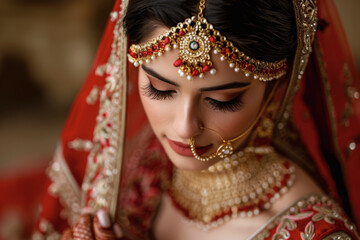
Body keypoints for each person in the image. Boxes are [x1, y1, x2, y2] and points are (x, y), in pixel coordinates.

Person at [32, 0, 360, 239]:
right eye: (160, 90)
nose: (184, 127)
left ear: (277, 86)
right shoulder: (145, 165)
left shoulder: (311, 232)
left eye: (222, 100)